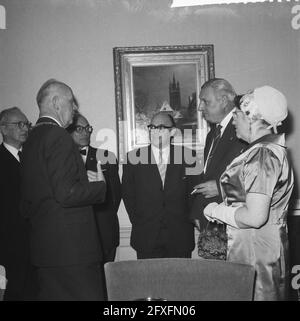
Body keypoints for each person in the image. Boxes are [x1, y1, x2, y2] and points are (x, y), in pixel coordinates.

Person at [204, 85, 294, 300]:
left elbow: (255, 216)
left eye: (237, 114)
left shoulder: (262, 154)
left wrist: (216, 210)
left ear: (251, 117)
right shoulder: (263, 150)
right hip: (256, 250)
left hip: (257, 255)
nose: (233, 119)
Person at [19, 79, 107, 301]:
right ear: (56, 103)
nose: (75, 107)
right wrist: (99, 187)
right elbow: (66, 194)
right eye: (71, 101)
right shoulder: (58, 136)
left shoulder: (31, 139)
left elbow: (31, 200)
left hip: (46, 250)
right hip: (73, 252)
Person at [122, 112, 195, 259]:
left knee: (181, 281)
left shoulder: (189, 156)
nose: (155, 131)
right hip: (146, 237)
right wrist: (139, 221)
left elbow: (194, 194)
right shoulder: (133, 158)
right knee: (148, 282)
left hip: (180, 237)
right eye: (152, 127)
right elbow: (128, 195)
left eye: (161, 127)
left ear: (172, 131)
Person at [189, 78, 247, 255]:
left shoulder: (244, 129)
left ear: (223, 100)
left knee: (231, 280)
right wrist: (197, 213)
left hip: (235, 226)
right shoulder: (213, 134)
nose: (200, 107)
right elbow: (209, 177)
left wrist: (222, 188)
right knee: (215, 279)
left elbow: (258, 177)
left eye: (205, 101)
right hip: (212, 224)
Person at [67, 112, 121, 263]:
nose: (85, 133)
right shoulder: (62, 160)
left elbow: (115, 196)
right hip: (74, 235)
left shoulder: (107, 156)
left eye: (87, 128)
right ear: (67, 131)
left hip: (104, 231)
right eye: (79, 129)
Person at [0, 107, 37, 300]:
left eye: (27, 124)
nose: (25, 128)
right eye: (19, 124)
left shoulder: (31, 158)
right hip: (11, 244)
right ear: (4, 129)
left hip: (36, 242)